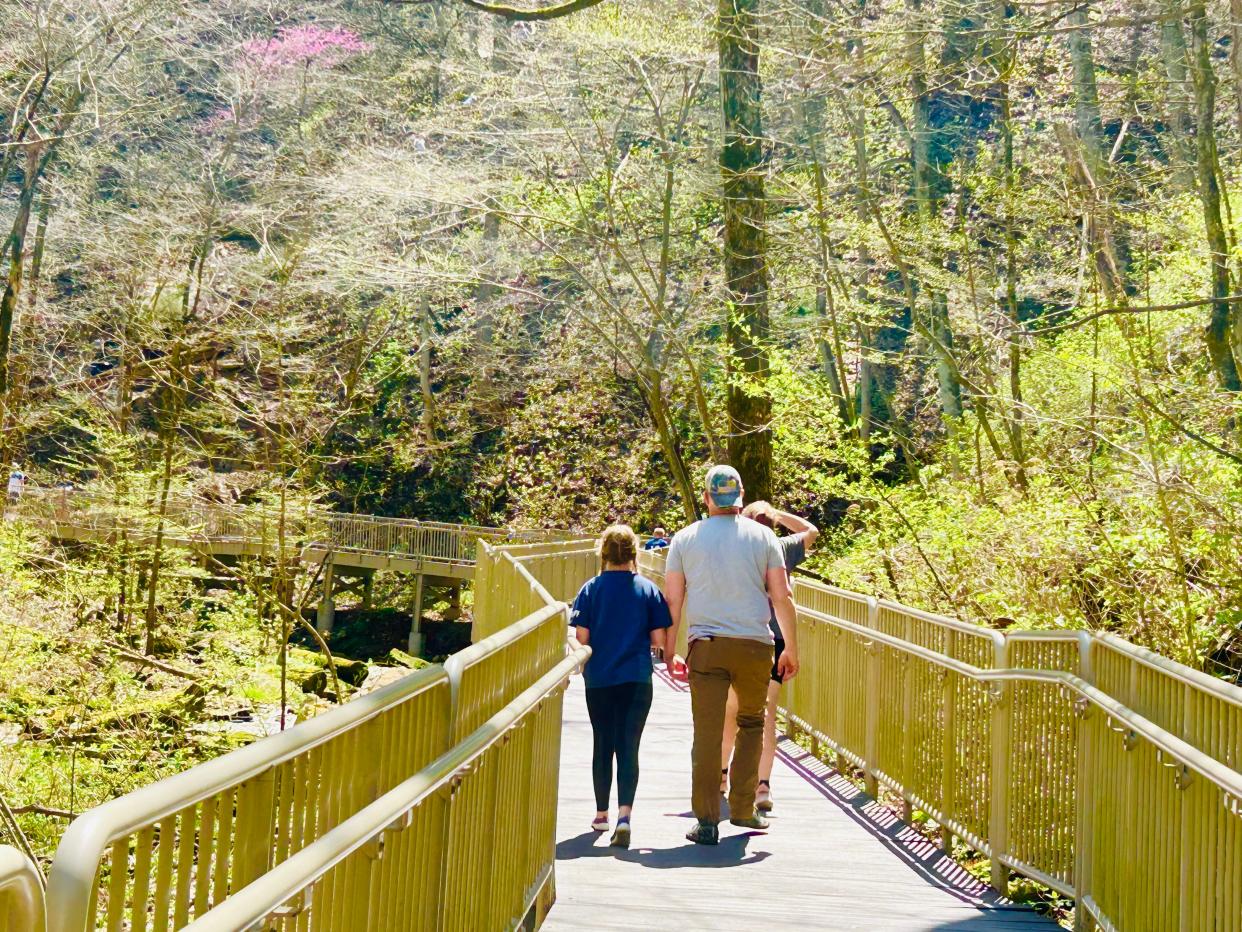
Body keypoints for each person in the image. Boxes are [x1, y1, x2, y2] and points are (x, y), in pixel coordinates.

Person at [663, 465, 799, 845]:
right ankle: (743, 809)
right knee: (752, 723)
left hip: (706, 646)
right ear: (740, 497)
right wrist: (790, 646)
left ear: (707, 498)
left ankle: (707, 821)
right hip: (756, 645)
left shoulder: (685, 539)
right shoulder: (763, 537)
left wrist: (669, 650)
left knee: (707, 735)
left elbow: (674, 599)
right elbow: (781, 595)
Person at [571, 524, 672, 849]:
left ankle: (601, 814)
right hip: (637, 679)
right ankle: (624, 816)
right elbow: (658, 640)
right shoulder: (648, 589)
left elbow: (581, 637)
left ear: (603, 553)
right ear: (633, 553)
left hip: (599, 678)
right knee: (629, 747)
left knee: (603, 743)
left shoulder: (591, 589)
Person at [720, 501, 818, 812]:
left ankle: (723, 778)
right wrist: (778, 513)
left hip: (739, 635)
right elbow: (811, 531)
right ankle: (762, 788)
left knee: (731, 712)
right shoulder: (782, 547)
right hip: (774, 641)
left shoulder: (736, 548)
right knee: (765, 714)